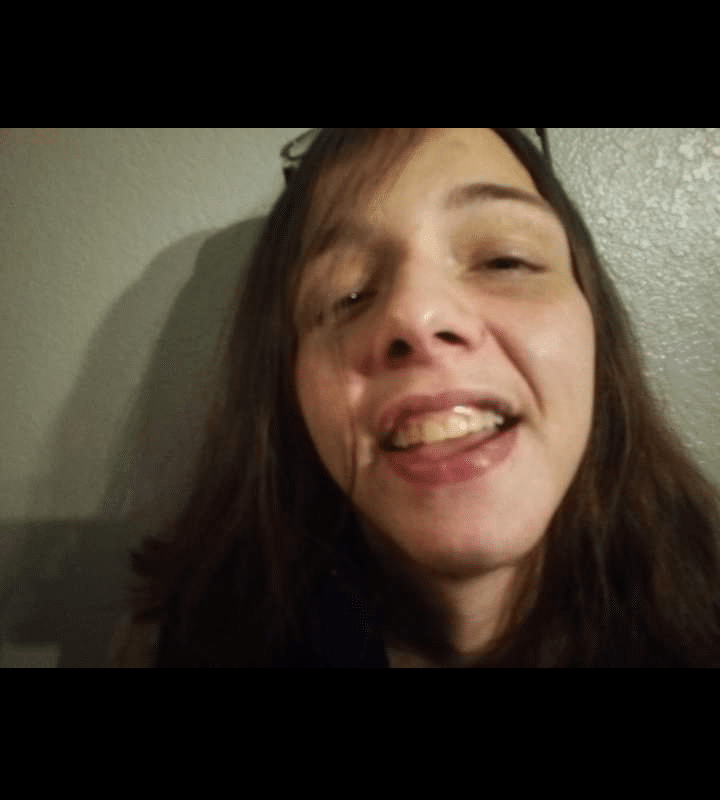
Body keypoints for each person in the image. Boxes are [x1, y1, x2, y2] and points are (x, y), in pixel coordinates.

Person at [110, 128, 720, 668]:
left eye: (504, 259)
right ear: (289, 393)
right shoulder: (179, 648)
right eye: (348, 294)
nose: (416, 315)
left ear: (596, 335)